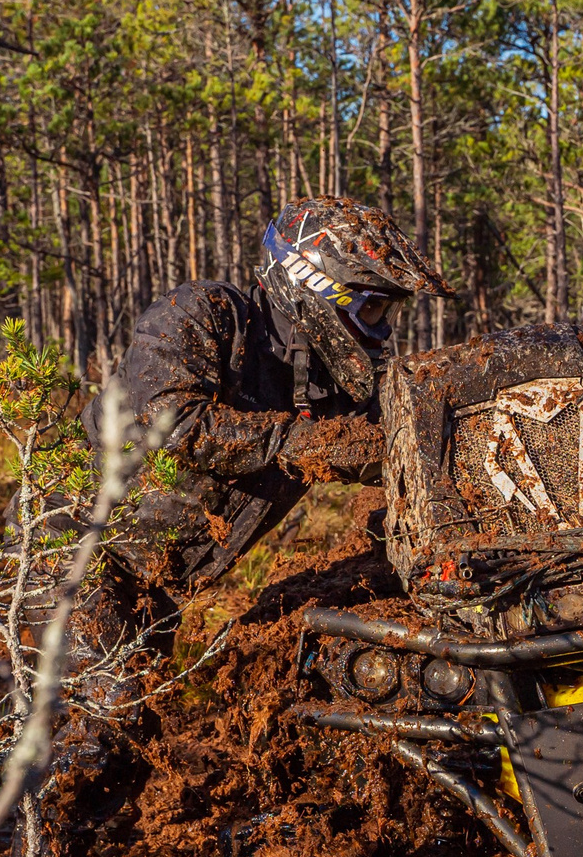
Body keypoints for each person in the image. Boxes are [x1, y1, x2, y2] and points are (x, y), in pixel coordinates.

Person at [84, 195, 451, 587]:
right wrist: (308, 443)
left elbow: (404, 443)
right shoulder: (202, 312)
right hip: (74, 549)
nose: (383, 329)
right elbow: (174, 424)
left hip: (161, 590)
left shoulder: (332, 386)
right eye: (373, 310)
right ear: (314, 285)